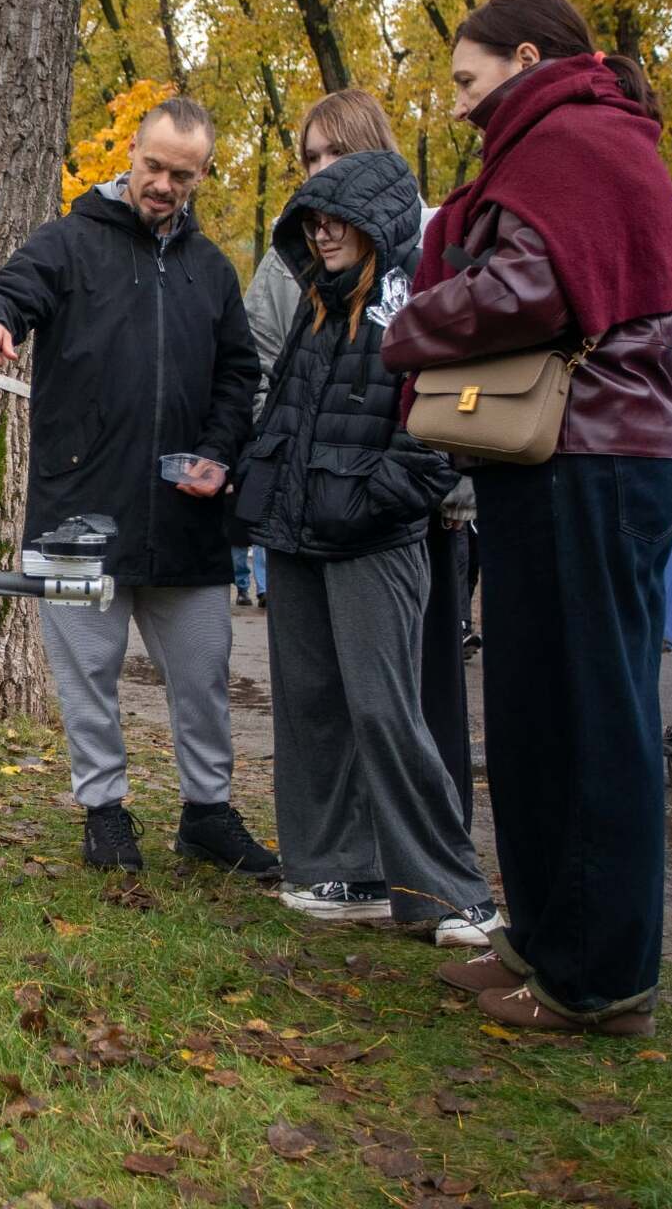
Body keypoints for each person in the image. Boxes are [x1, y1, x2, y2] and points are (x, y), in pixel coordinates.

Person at [383, 0, 672, 1036]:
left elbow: (528, 289)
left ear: (524, 57)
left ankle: (601, 979)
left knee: (590, 719)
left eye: (468, 82)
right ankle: (547, 937)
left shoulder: (576, 142)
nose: (460, 108)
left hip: (595, 458)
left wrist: (409, 321)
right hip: (556, 454)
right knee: (530, 712)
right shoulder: (552, 144)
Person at [0, 96, 275, 877]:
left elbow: (240, 375)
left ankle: (208, 813)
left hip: (188, 517)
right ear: (132, 153)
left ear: (202, 176)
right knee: (88, 678)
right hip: (79, 514)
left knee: (203, 675)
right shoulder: (67, 243)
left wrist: (218, 450)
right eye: (155, 166)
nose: (164, 185)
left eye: (183, 175)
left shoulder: (212, 269)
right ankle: (104, 812)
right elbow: (4, 293)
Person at [232, 149, 499, 947]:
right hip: (299, 536)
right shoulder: (321, 302)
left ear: (377, 220)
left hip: (372, 539)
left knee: (386, 712)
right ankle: (335, 872)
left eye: (335, 216)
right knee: (311, 708)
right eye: (311, 220)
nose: (322, 232)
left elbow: (441, 431)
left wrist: (374, 502)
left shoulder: (418, 302)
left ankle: (452, 894)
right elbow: (283, 413)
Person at [242, 87, 473, 820]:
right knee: (329, 695)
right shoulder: (294, 258)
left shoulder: (432, 243)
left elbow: (450, 383)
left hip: (422, 509)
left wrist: (406, 483)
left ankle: (437, 853)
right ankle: (349, 857)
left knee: (417, 694)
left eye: (335, 151)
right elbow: (264, 368)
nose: (320, 169)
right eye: (310, 156)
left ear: (373, 150)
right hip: (327, 506)